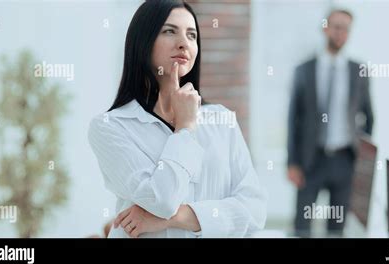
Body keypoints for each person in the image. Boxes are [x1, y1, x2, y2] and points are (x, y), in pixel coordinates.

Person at [88, 0, 266, 238]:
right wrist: (186, 128)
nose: (184, 43)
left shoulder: (222, 119)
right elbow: (162, 199)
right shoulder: (110, 127)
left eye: (192, 35)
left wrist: (171, 219)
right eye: (170, 31)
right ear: (143, 41)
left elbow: (254, 211)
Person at [287, 9, 374, 237]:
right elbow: (292, 119)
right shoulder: (304, 69)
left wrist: (361, 159)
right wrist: (292, 162)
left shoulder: (359, 71)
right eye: (336, 27)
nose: (340, 33)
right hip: (310, 160)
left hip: (344, 161)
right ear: (325, 28)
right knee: (301, 226)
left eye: (346, 29)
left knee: (336, 229)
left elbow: (369, 117)